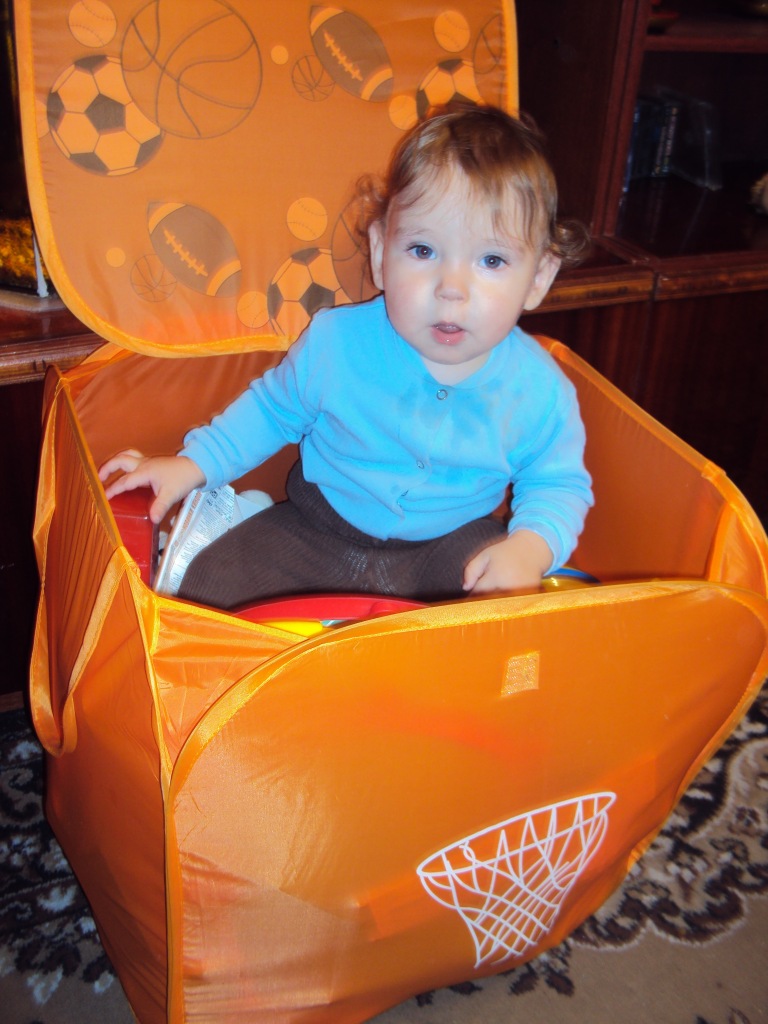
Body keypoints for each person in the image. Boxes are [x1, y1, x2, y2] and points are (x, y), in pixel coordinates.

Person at [100, 103, 593, 609]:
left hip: (448, 547)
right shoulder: (337, 342)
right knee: (208, 586)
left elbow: (558, 483)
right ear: (381, 252)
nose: (452, 288)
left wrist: (530, 547)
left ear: (538, 278)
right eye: (423, 251)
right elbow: (270, 411)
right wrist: (194, 464)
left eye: (491, 260)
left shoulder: (539, 388)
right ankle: (244, 522)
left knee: (502, 611)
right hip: (317, 528)